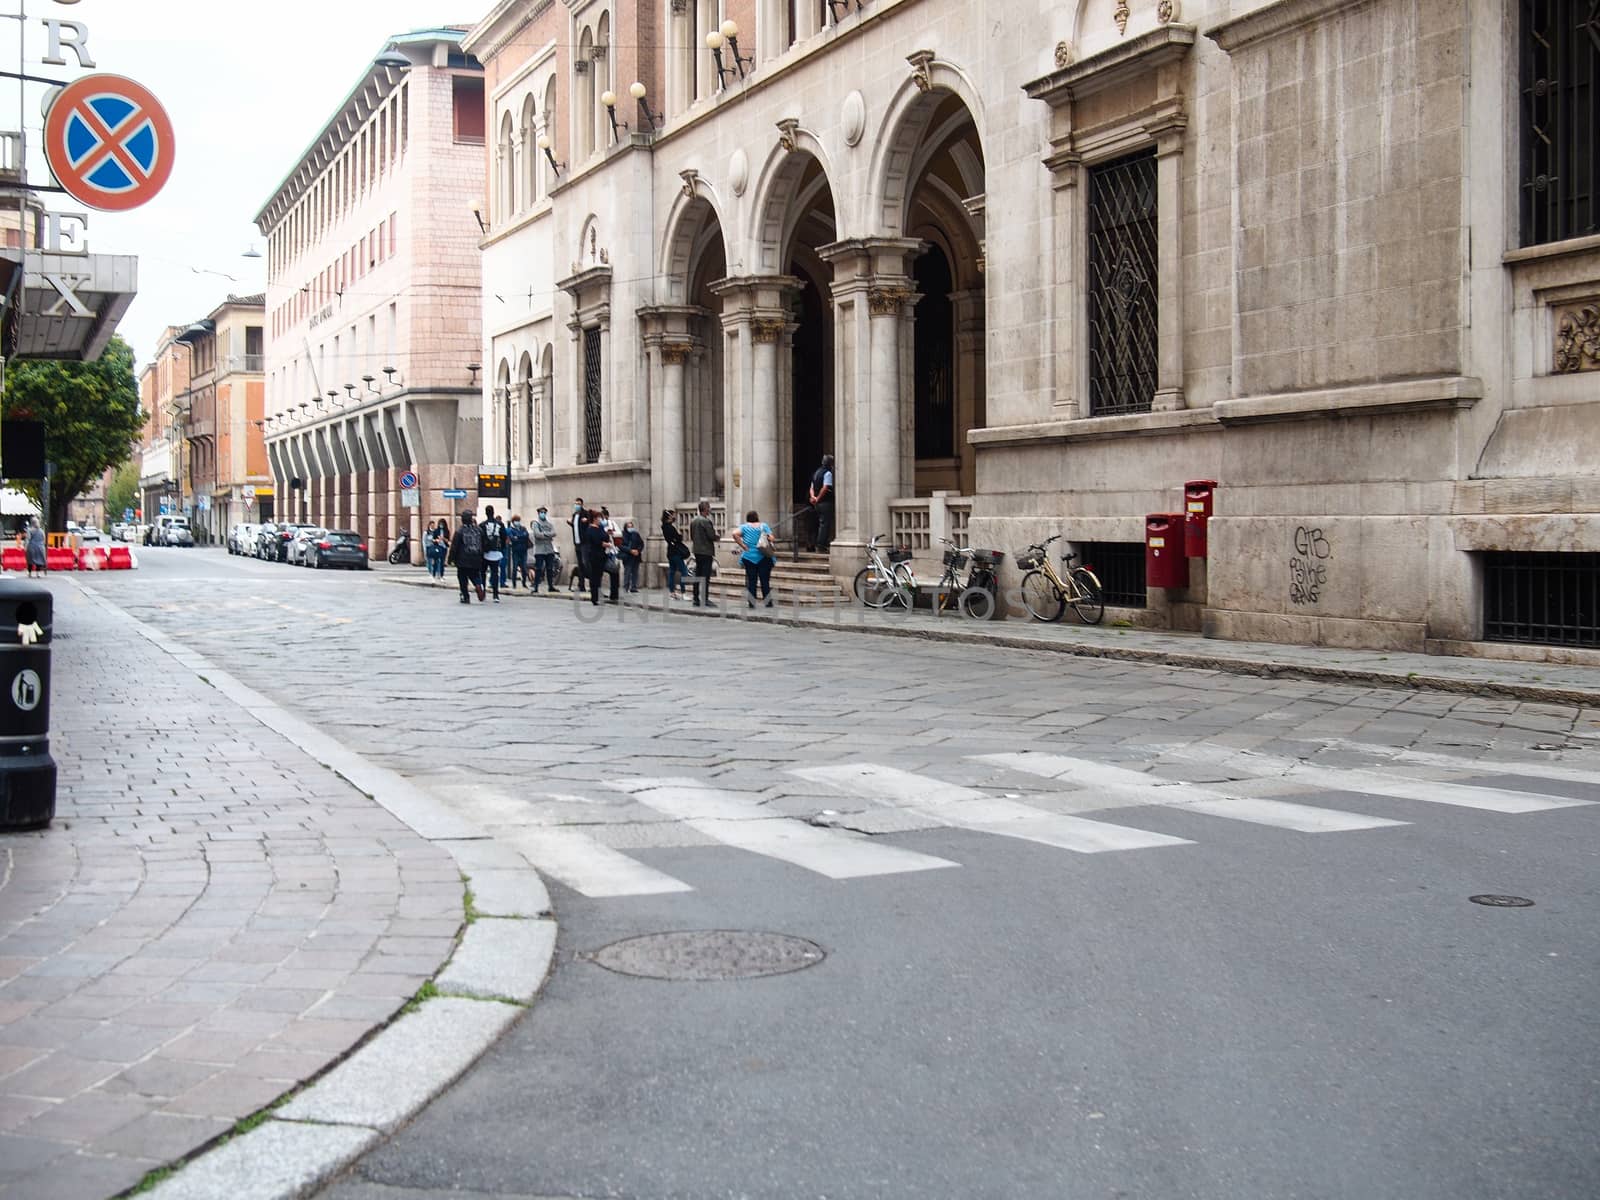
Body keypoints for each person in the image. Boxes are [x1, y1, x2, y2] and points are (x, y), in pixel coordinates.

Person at [732, 509, 776, 607]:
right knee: (765, 581)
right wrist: (767, 538)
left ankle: (752, 603)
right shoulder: (763, 526)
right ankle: (768, 602)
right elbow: (772, 538)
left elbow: (734, 534)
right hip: (763, 556)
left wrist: (743, 546)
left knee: (751, 581)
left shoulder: (744, 527)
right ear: (757, 517)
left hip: (749, 557)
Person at [578, 509, 619, 605]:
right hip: (595, 556)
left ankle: (614, 594)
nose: (600, 519)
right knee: (595, 577)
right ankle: (595, 597)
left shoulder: (600, 528)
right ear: (594, 519)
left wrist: (609, 537)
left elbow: (605, 536)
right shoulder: (590, 530)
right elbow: (594, 541)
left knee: (614, 570)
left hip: (604, 555)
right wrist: (603, 543)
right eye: (599, 518)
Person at [447, 511, 486, 603]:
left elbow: (454, 547)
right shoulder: (479, 530)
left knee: (462, 578)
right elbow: (484, 543)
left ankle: (465, 596)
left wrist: (450, 559)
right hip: (476, 558)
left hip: (463, 559)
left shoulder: (459, 531)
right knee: (475, 575)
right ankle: (478, 585)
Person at [689, 500, 718, 607]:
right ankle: (705, 599)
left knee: (697, 574)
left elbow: (692, 535)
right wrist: (717, 537)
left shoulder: (693, 521)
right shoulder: (706, 521)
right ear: (705, 509)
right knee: (705, 576)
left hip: (697, 550)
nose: (710, 509)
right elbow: (711, 536)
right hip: (706, 551)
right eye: (709, 507)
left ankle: (695, 598)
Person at [809, 453, 835, 552]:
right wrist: (818, 498)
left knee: (820, 523)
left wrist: (813, 497)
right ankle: (821, 545)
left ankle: (817, 543)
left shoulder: (817, 472)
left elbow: (811, 487)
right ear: (830, 463)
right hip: (825, 502)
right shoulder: (828, 473)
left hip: (817, 504)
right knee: (825, 524)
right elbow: (825, 487)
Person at [480, 505, 506, 601]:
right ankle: (496, 595)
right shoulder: (500, 524)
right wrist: (502, 548)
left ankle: (483, 593)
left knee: (483, 573)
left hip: (485, 552)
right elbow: (504, 537)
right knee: (495, 573)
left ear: (486, 513)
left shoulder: (482, 525)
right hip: (496, 551)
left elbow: (480, 538)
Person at [662, 510, 690, 600]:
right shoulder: (670, 528)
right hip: (675, 552)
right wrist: (679, 536)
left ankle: (672, 592)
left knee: (672, 572)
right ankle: (683, 592)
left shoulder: (664, 527)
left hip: (670, 552)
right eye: (673, 515)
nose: (674, 517)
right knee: (684, 571)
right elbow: (677, 538)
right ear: (669, 517)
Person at [530, 505, 558, 592]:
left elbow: (554, 533)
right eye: (541, 512)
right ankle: (536, 587)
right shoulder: (535, 523)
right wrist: (547, 535)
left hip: (549, 549)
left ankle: (550, 586)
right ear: (538, 513)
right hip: (539, 550)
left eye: (544, 512)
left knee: (550, 568)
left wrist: (544, 534)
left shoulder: (549, 524)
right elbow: (537, 534)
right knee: (538, 569)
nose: (543, 514)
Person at [620, 519, 645, 593]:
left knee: (635, 572)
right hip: (627, 556)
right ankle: (626, 587)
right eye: (629, 527)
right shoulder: (622, 534)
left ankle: (634, 587)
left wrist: (638, 550)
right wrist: (630, 550)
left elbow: (641, 543)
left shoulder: (636, 534)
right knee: (627, 572)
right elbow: (621, 545)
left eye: (631, 526)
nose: (630, 528)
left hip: (636, 556)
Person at [506, 514, 531, 588]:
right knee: (515, 567)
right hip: (515, 551)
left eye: (518, 521)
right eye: (516, 521)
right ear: (513, 522)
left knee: (524, 567)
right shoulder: (511, 529)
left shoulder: (523, 528)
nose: (518, 522)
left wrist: (518, 537)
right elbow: (512, 538)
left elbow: (526, 535)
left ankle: (524, 583)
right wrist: (520, 537)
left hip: (523, 550)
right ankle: (514, 584)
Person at [569, 497, 586, 591]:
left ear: (582, 505)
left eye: (578, 504)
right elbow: (575, 527)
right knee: (580, 564)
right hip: (577, 543)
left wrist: (586, 521)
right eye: (576, 504)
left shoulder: (585, 514)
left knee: (585, 564)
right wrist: (570, 523)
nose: (577, 505)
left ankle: (590, 583)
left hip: (584, 543)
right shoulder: (574, 515)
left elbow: (587, 525)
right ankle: (581, 584)